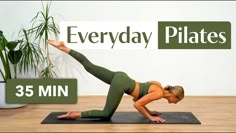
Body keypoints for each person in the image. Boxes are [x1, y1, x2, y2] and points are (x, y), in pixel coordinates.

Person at [47, 39, 185, 123]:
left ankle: (64, 48)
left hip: (122, 76)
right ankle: (74, 115)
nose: (176, 103)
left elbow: (137, 98)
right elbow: (137, 105)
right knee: (106, 114)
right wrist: (150, 117)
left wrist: (149, 111)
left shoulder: (157, 84)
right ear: (175, 95)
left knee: (90, 67)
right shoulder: (159, 94)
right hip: (122, 84)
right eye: (178, 100)